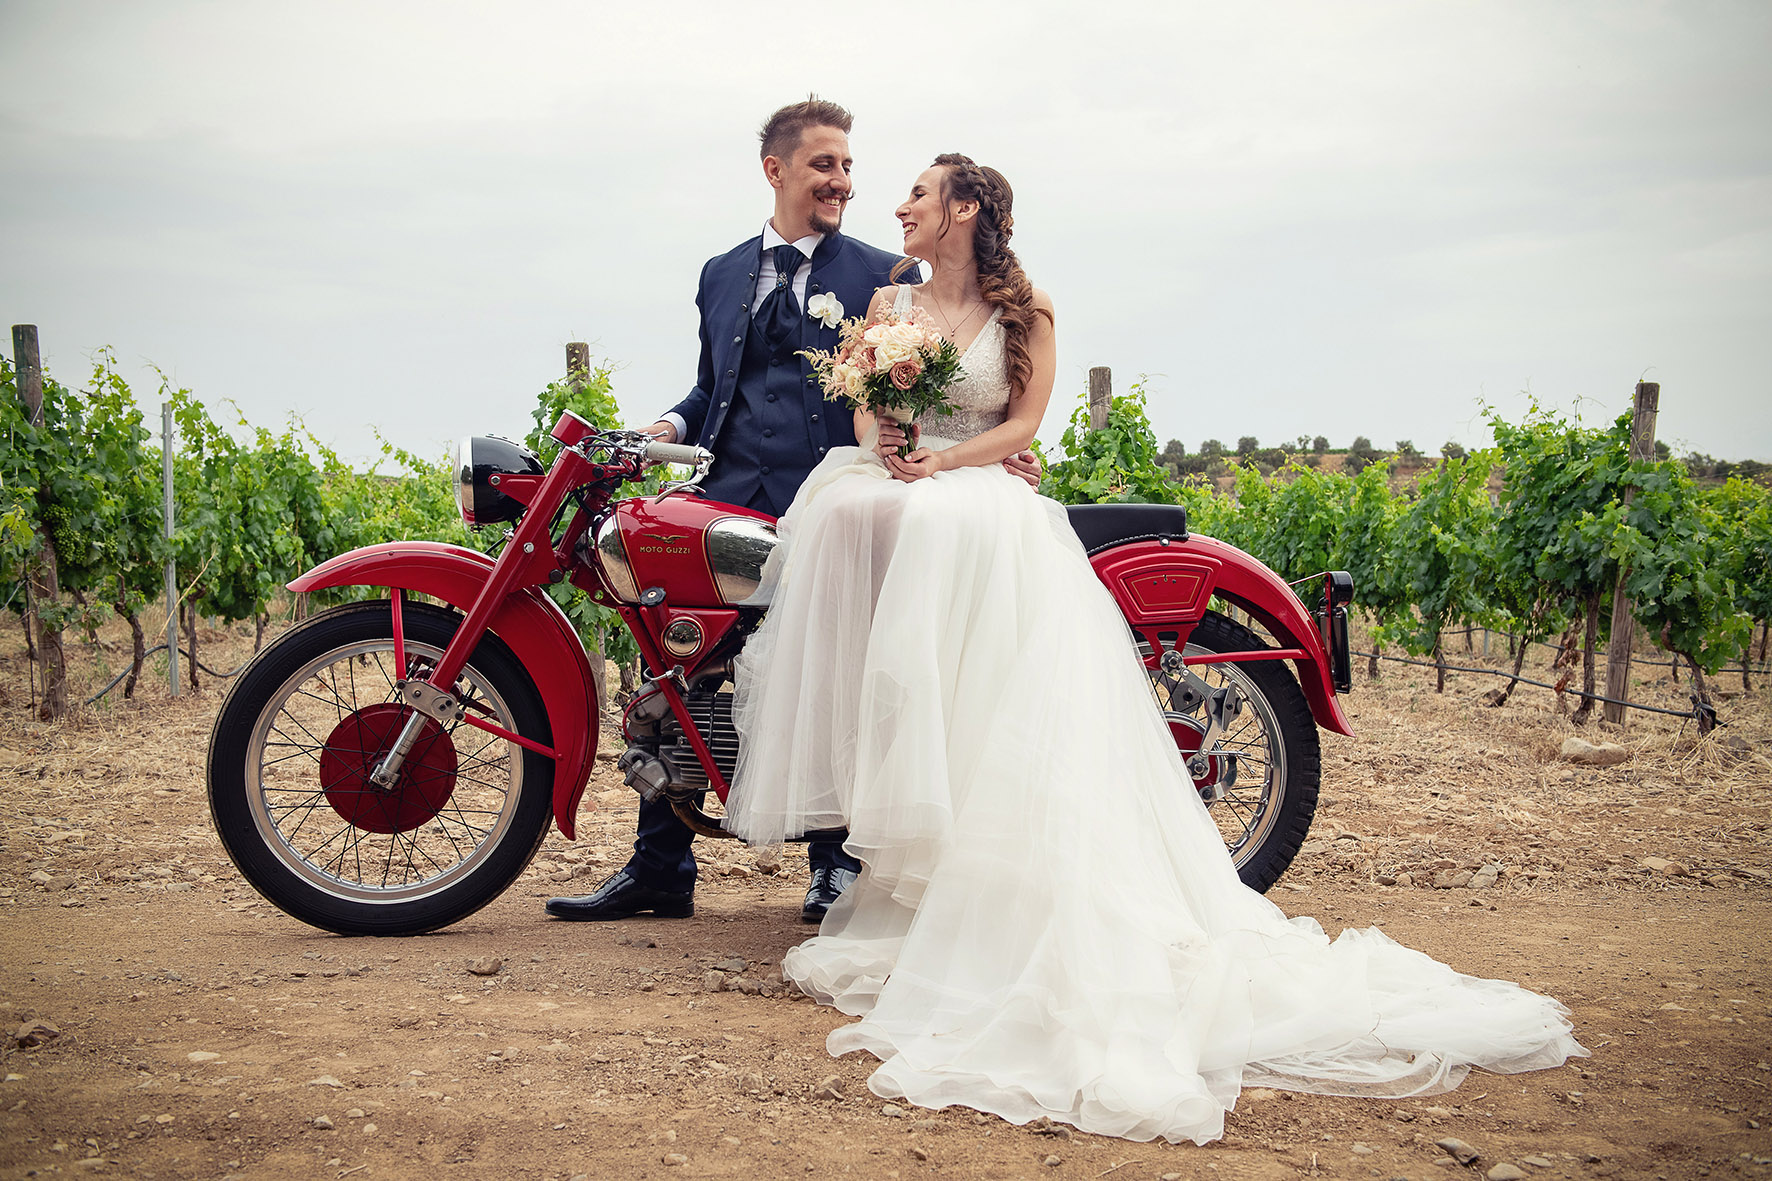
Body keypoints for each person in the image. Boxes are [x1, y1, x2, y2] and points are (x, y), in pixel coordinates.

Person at [721, 153, 1587, 1145]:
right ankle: (893, 825)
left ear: (961, 208)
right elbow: (870, 409)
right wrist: (886, 440)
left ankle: (980, 870)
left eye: (917, 192)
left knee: (941, 526)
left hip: (978, 486)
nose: (899, 206)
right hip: (906, 480)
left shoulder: (1026, 305)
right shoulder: (886, 297)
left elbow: (1024, 423)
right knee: (842, 518)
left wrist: (944, 461)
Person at [545, 100, 1042, 925]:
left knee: (840, 664)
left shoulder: (890, 277)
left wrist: (986, 447)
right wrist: (663, 428)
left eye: (848, 166)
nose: (842, 182)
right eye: (824, 166)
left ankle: (834, 864)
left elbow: (950, 375)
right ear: (776, 171)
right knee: (678, 658)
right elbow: (713, 388)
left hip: (838, 501)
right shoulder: (720, 270)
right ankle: (658, 866)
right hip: (728, 491)